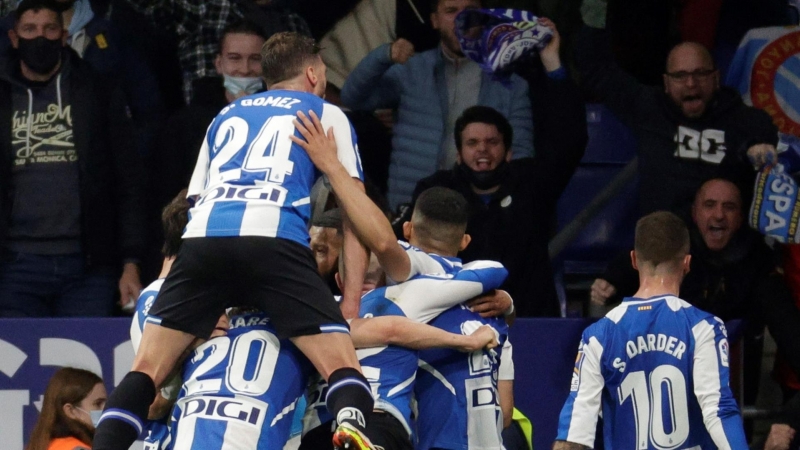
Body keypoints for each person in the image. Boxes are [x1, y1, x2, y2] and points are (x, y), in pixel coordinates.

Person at [94, 32, 376, 450]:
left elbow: (190, 207)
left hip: (205, 240)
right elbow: (354, 212)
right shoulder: (325, 113)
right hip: (275, 238)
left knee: (147, 369)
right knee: (340, 363)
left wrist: (181, 288)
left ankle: (105, 444)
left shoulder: (223, 117)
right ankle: (350, 422)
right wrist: (350, 302)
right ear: (314, 72)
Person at [292, 110, 516, 449]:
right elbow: (492, 271)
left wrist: (336, 170)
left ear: (407, 232)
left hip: (336, 425)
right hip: (397, 425)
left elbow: (382, 244)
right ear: (465, 242)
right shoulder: (468, 301)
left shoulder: (335, 306)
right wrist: (505, 306)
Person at [393, 18, 585, 317]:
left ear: (509, 152)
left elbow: (570, 140)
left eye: (492, 142)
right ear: (458, 153)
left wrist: (552, 63)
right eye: (472, 143)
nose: (482, 149)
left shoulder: (532, 184)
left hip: (527, 323)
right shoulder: (435, 192)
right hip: (450, 322)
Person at [590, 178, 800, 398]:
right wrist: (611, 281)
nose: (719, 215)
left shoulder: (758, 261)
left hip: (730, 384)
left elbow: (786, 324)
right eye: (709, 205)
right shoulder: (673, 247)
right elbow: (639, 260)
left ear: (740, 219)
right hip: (665, 382)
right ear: (694, 213)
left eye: (729, 207)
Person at [554, 211, 747, 450]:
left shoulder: (598, 335)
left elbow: (575, 430)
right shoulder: (703, 327)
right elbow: (719, 410)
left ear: (634, 260)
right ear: (687, 263)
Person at [0, 0, 145, 317]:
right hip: (14, 265)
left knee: (80, 368)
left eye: (50, 29)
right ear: (13, 38)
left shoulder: (98, 90)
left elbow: (128, 181)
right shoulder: (3, 96)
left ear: (64, 36)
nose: (40, 37)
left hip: (88, 267)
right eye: (30, 29)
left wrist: (131, 263)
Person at [575, 1, 779, 218]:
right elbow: (595, 67)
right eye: (680, 76)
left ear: (716, 78)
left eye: (700, 74)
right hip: (664, 248)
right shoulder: (649, 108)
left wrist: (758, 148)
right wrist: (596, 5)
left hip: (726, 248)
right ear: (666, 83)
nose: (691, 84)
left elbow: (766, 138)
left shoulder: (745, 121)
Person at [340, 0, 534, 209]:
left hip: (480, 216)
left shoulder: (512, 86)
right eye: (451, 11)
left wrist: (501, 212)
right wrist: (384, 55)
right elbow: (353, 98)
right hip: (410, 211)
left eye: (470, 11)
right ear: (435, 20)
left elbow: (521, 161)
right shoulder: (412, 71)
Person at [146, 20, 267, 274]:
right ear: (218, 64)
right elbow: (165, 201)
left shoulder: (285, 119)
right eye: (235, 58)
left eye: (255, 59)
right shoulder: (183, 125)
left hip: (266, 246)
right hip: (200, 253)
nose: (244, 69)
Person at [121, 0, 310, 103]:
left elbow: (309, 85)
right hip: (204, 125)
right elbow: (156, 5)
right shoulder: (210, 7)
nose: (244, 68)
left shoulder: (293, 23)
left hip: (276, 124)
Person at [27, 367, 107, 450]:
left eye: (106, 403)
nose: (106, 409)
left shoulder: (43, 445)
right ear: (71, 411)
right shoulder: (78, 448)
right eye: (98, 404)